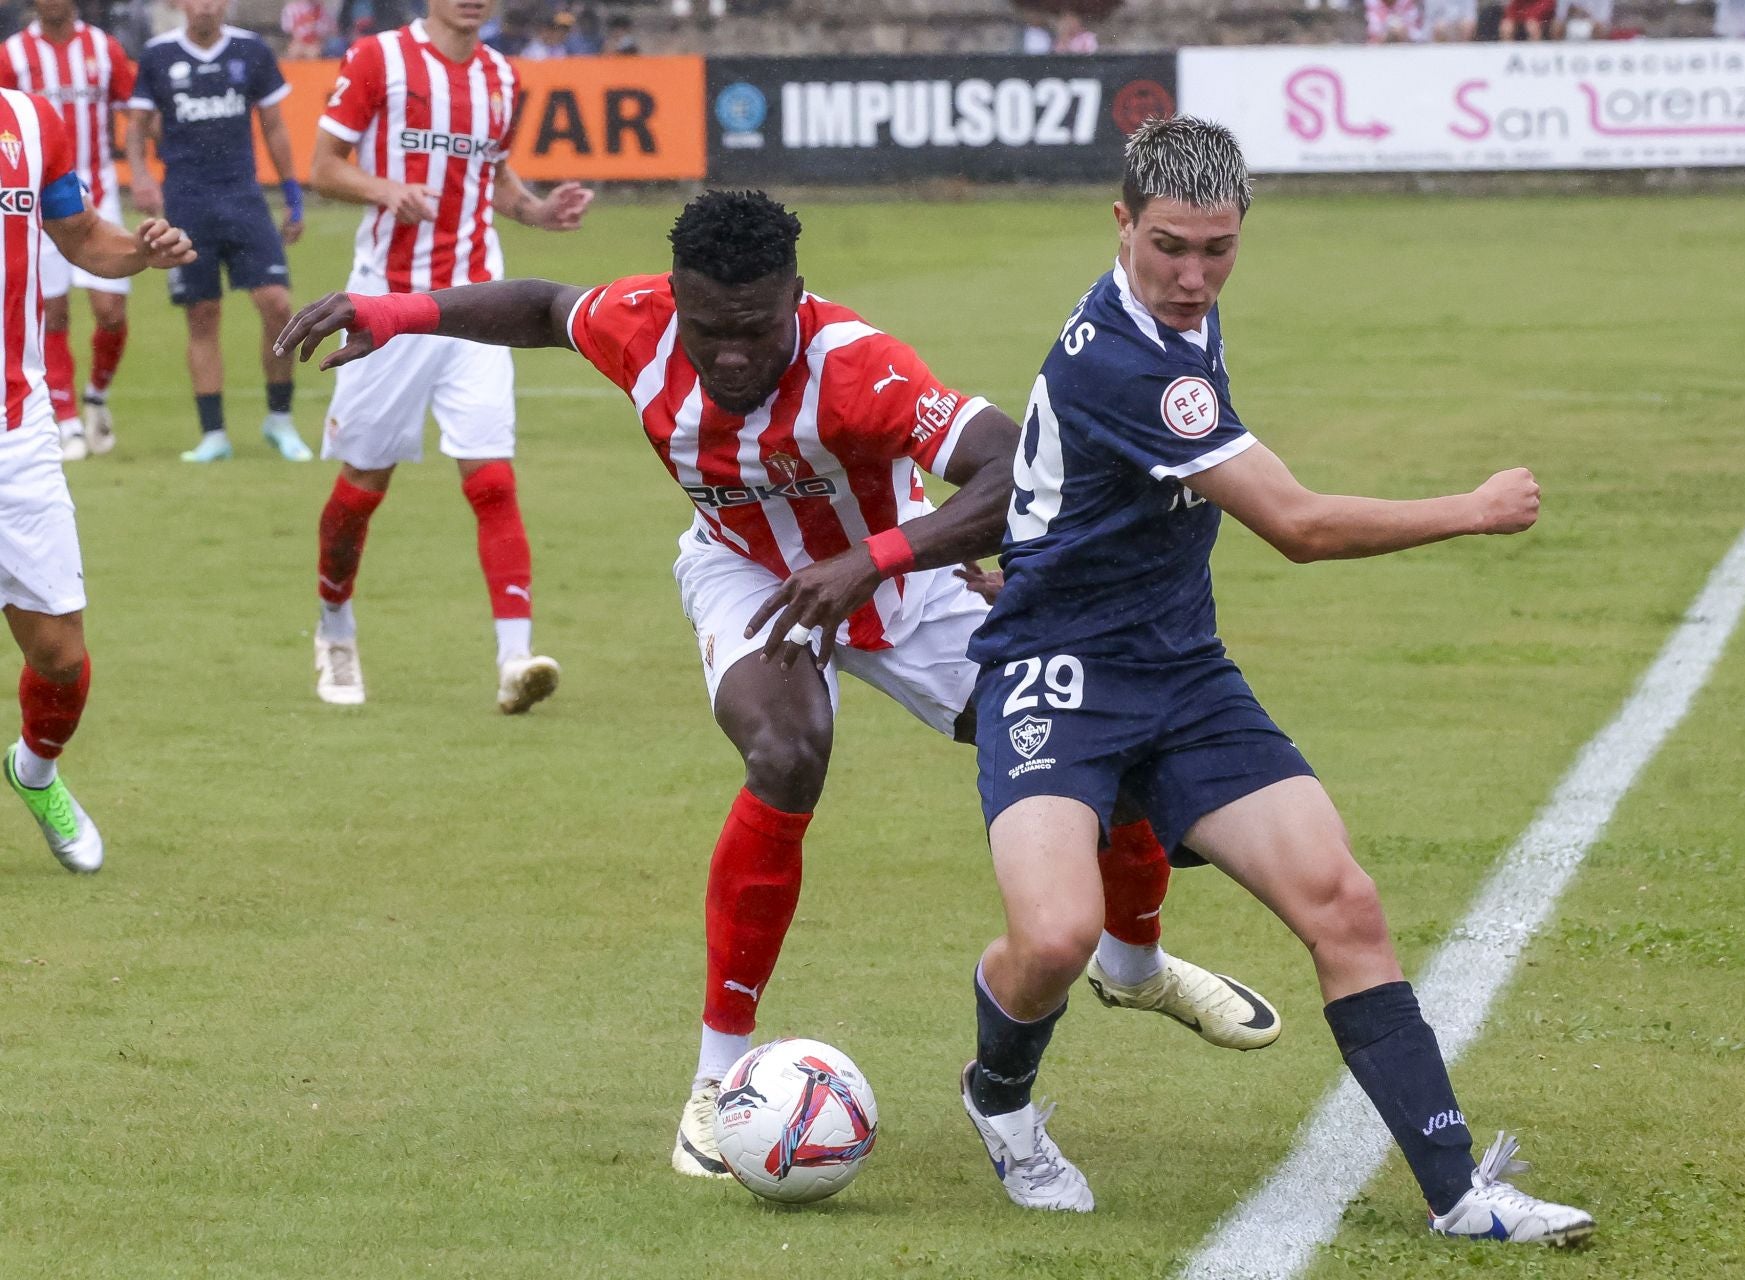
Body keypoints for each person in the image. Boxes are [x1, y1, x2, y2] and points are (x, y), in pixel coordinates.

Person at [273, 188, 1284, 1183]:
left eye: (755, 329)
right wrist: (389, 313)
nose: (730, 354)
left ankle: (1134, 966)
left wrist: (876, 559)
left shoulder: (860, 366)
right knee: (787, 748)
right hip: (745, 572)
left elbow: (1009, 471)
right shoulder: (639, 325)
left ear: (795, 296)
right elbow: (541, 305)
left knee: (1094, 749)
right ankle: (717, 1079)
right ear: (676, 296)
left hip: (899, 574)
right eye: (709, 326)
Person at [956, 117, 1596, 1247]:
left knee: (1341, 902)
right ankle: (998, 1096)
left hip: (1182, 672)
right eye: (1169, 248)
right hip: (1056, 671)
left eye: (1219, 248)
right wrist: (1475, 507)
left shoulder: (1181, 316)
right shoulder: (1126, 355)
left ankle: (1461, 1193)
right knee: (1057, 937)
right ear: (1120, 225)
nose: (1194, 275)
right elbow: (1296, 526)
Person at [302, 0, 591, 712]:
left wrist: (538, 212)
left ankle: (515, 660)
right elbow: (323, 168)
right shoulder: (380, 59)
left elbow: (493, 181)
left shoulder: (501, 76)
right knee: (362, 486)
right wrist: (383, 188)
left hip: (476, 305)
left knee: (492, 479)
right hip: (385, 307)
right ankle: (334, 632)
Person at [0, 82, 193, 873]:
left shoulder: (31, 118)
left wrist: (139, 254)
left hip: (15, 426)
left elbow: (77, 232)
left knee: (61, 657)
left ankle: (35, 771)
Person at [126, 0, 313, 463]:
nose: (206, 6)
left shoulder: (251, 51)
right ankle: (214, 435)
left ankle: (280, 420)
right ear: (180, 5)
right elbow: (137, 127)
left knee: (277, 304)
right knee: (202, 314)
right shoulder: (158, 55)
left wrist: (292, 195)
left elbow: (274, 127)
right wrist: (143, 177)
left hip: (244, 199)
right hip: (187, 202)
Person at [0, 0, 138, 461]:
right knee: (50, 312)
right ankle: (68, 422)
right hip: (34, 203)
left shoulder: (104, 47)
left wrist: (143, 167)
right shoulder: (13, 54)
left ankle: (96, 394)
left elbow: (134, 108)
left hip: (99, 192)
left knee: (111, 311)